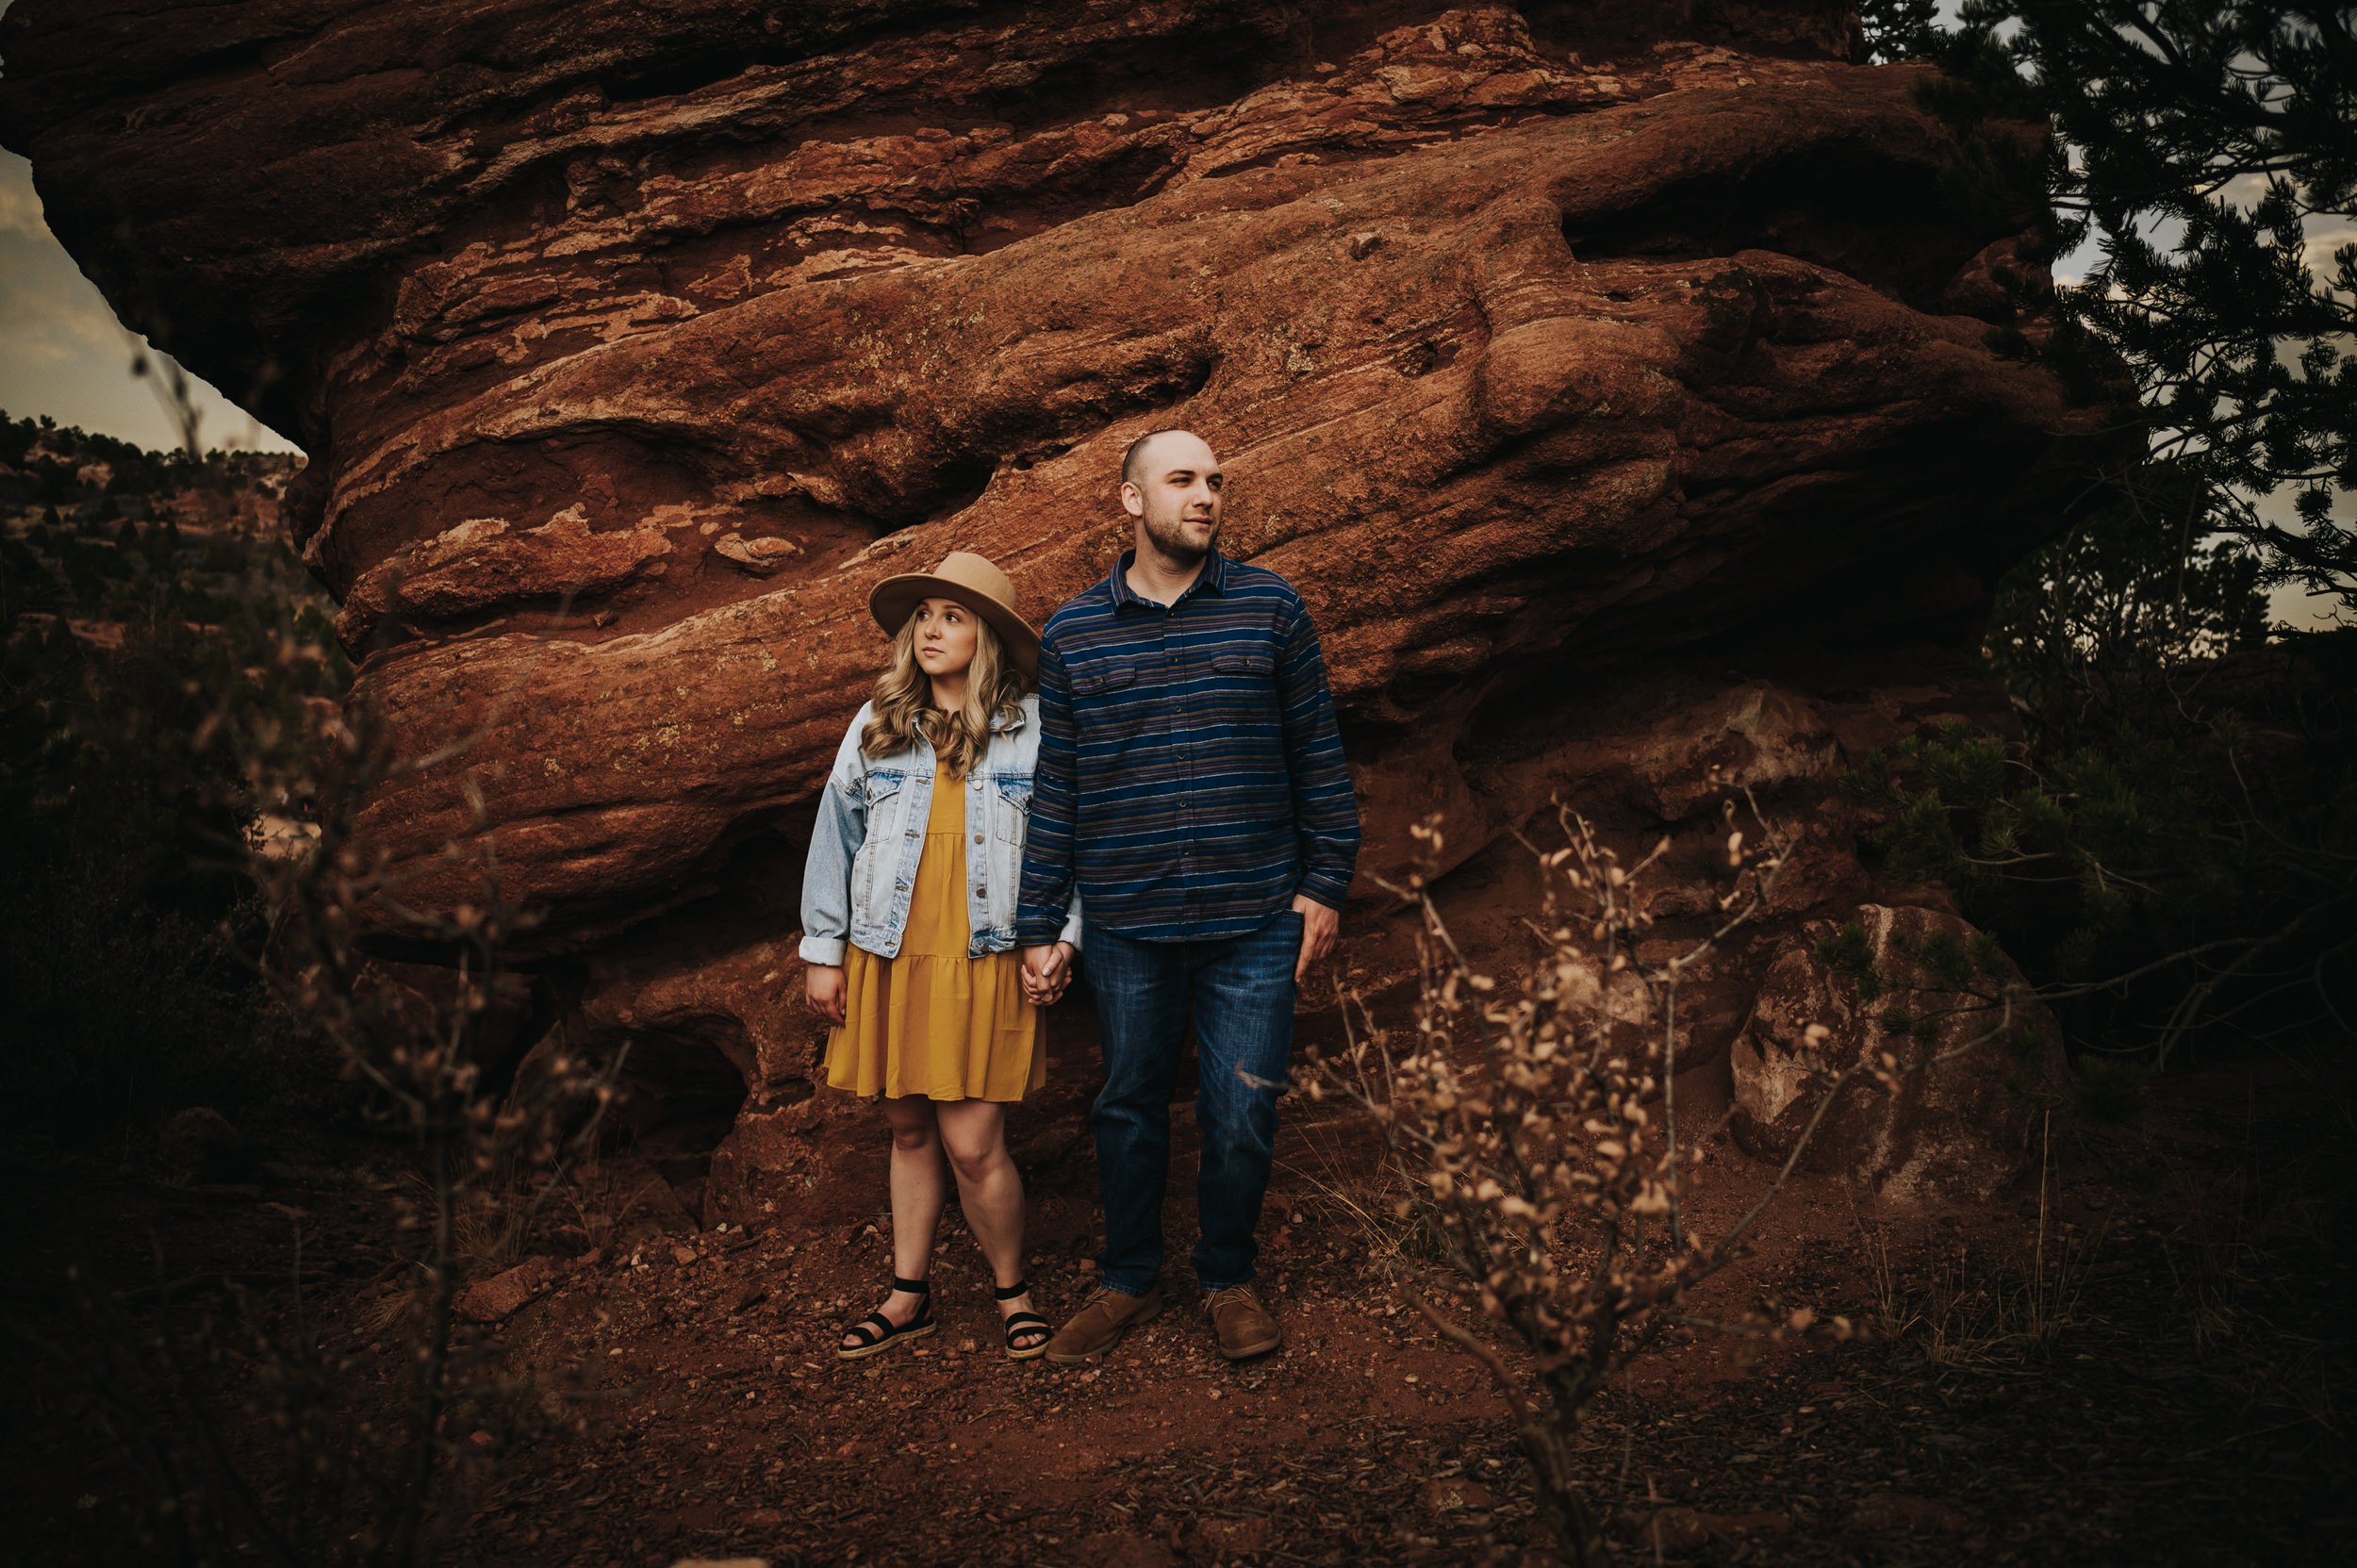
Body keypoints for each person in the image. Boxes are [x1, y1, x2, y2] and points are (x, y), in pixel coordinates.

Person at [1015, 429, 1360, 1365]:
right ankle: (1126, 1277)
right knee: (1126, 1104)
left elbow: (1315, 751)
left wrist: (1325, 882)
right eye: (1181, 480)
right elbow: (1059, 787)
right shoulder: (1073, 632)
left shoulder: (1269, 607)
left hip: (1254, 918)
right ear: (1130, 501)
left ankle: (1227, 1276)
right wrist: (1039, 923)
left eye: (1214, 481)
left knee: (1241, 1108)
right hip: (1127, 923)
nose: (1204, 495)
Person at [799, 551, 1083, 1362]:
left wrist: (1063, 938)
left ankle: (1012, 1290)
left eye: (952, 616)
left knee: (972, 1141)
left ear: (986, 636)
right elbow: (836, 836)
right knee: (910, 1131)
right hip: (887, 951)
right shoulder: (878, 723)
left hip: (985, 954)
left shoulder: (1034, 727)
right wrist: (824, 950)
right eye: (923, 614)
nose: (930, 628)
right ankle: (907, 1293)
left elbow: (1073, 845)